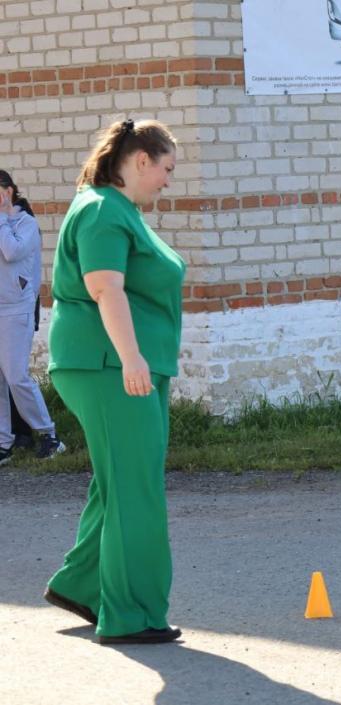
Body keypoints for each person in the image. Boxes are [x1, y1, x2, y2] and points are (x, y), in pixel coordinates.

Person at [44, 118, 185, 644]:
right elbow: (106, 289)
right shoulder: (103, 210)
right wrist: (130, 358)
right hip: (109, 365)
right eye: (166, 169)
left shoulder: (118, 209)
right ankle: (131, 614)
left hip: (118, 363)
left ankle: (81, 586)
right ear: (140, 160)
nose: (169, 181)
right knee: (136, 488)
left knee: (119, 481)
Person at [0, 169, 64, 465]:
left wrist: (1, 217)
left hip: (16, 309)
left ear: (9, 190)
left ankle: (49, 435)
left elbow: (11, 252)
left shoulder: (26, 224)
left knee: (16, 377)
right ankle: (4, 442)